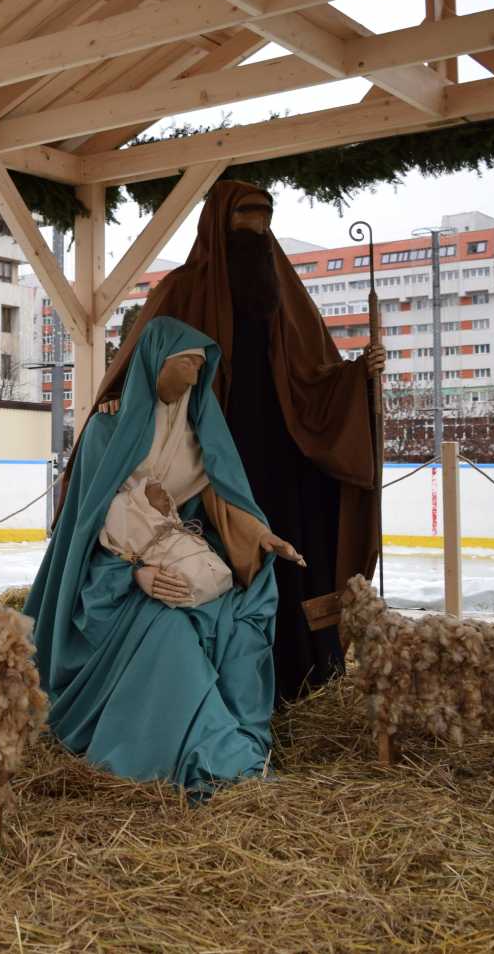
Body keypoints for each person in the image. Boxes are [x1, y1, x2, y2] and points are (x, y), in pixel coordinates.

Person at [87, 181, 384, 704]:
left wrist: (357, 378)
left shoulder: (284, 289)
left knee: (287, 554)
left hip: (283, 449)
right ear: (218, 222)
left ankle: (299, 682)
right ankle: (221, 692)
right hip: (205, 453)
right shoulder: (182, 289)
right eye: (244, 217)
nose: (256, 228)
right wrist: (115, 399)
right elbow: (147, 359)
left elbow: (316, 374)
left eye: (265, 216)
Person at [24, 317, 304, 791]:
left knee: (239, 621)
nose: (196, 376)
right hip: (112, 582)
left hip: (187, 566)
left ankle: (240, 739)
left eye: (200, 366)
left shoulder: (198, 440)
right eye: (187, 363)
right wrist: (138, 577)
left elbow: (224, 499)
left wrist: (262, 537)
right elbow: (87, 529)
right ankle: (214, 757)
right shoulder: (106, 434)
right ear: (156, 361)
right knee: (168, 632)